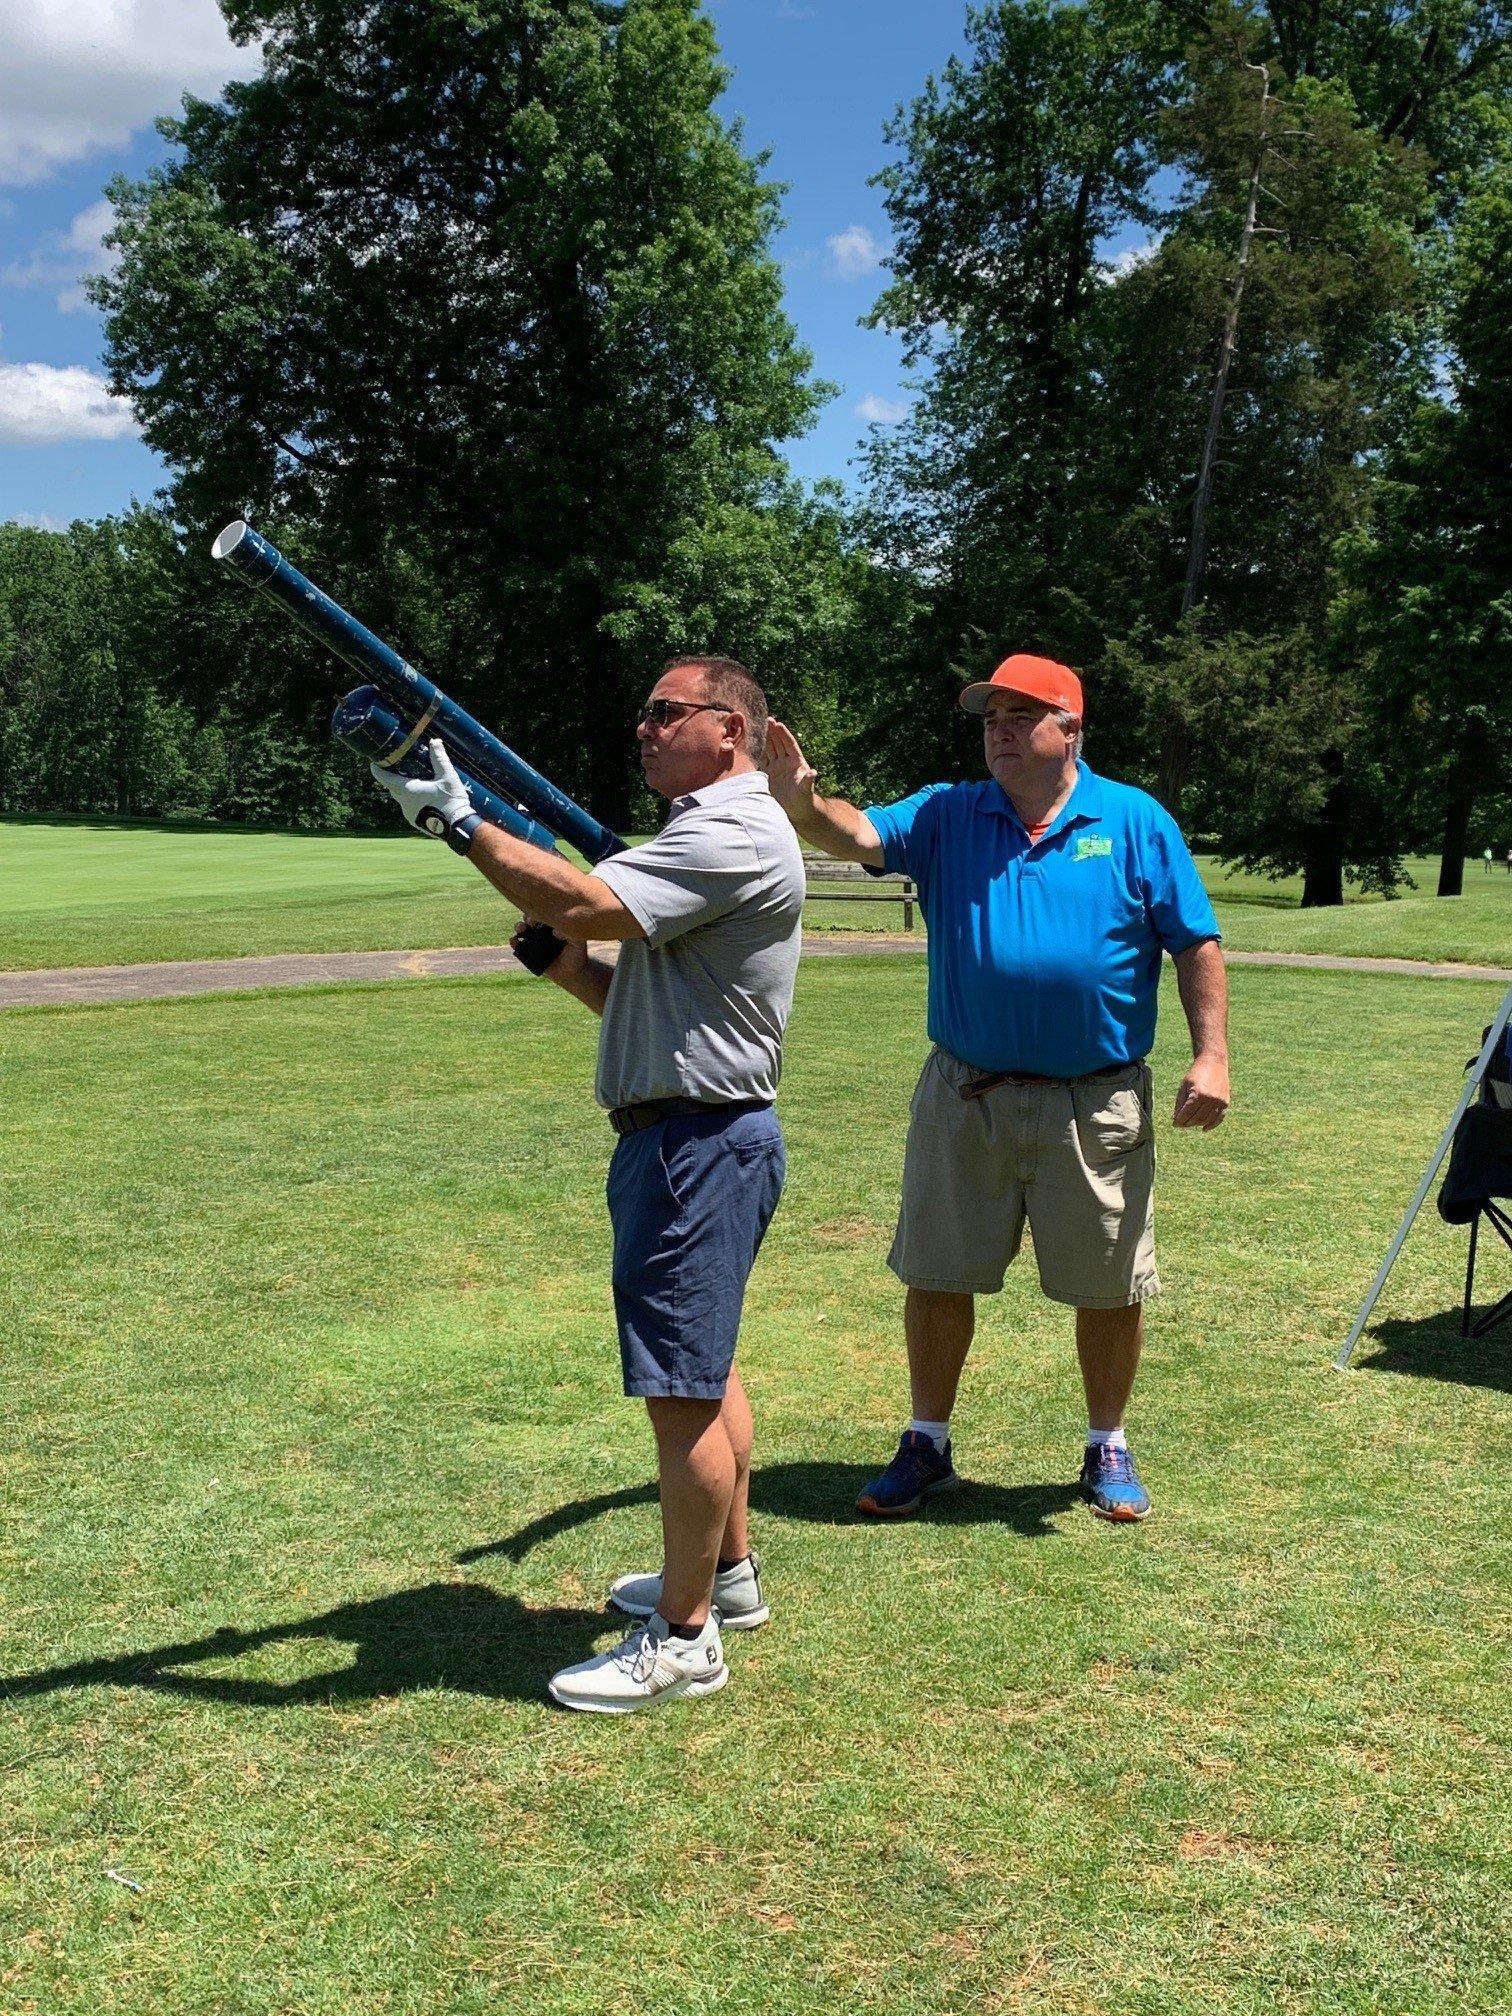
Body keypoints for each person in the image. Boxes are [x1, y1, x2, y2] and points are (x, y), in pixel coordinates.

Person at [373, 655, 804, 1713]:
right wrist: (564, 967)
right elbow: (657, 1001)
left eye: (667, 712)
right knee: (704, 1371)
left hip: (695, 1149)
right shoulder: (712, 831)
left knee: (679, 1395)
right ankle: (728, 1575)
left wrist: (458, 823)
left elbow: (583, 897)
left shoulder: (730, 829)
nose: (645, 728)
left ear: (731, 730)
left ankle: (687, 1638)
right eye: (644, 712)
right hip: (699, 1135)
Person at [764, 653, 1229, 1524]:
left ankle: (1106, 1445)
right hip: (965, 1094)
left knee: (1108, 1282)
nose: (1001, 731)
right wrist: (803, 803)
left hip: (1096, 1101)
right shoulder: (948, 813)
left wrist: (1213, 1057)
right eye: (990, 719)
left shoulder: (1133, 820)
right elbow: (856, 836)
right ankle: (926, 1440)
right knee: (938, 1272)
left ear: (1071, 729)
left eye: (1022, 715)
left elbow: (1194, 941)